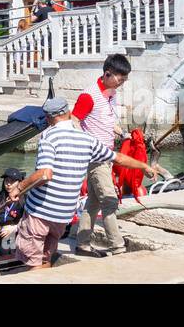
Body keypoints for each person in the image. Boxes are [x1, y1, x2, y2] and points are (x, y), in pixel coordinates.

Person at [13, 97, 162, 269]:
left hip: (41, 211)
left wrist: (19, 187)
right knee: (46, 259)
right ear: (68, 113)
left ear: (47, 118)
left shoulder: (48, 136)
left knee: (33, 262)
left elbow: (45, 174)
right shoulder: (87, 139)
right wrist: (143, 166)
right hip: (63, 214)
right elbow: (118, 158)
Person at [72, 54, 133, 255]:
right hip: (96, 158)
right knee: (109, 200)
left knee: (93, 202)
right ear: (107, 74)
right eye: (120, 78)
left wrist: (123, 134)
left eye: (124, 79)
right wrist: (87, 143)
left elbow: (107, 121)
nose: (122, 82)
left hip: (107, 155)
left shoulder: (111, 93)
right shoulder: (88, 96)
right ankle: (118, 246)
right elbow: (74, 121)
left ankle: (82, 243)